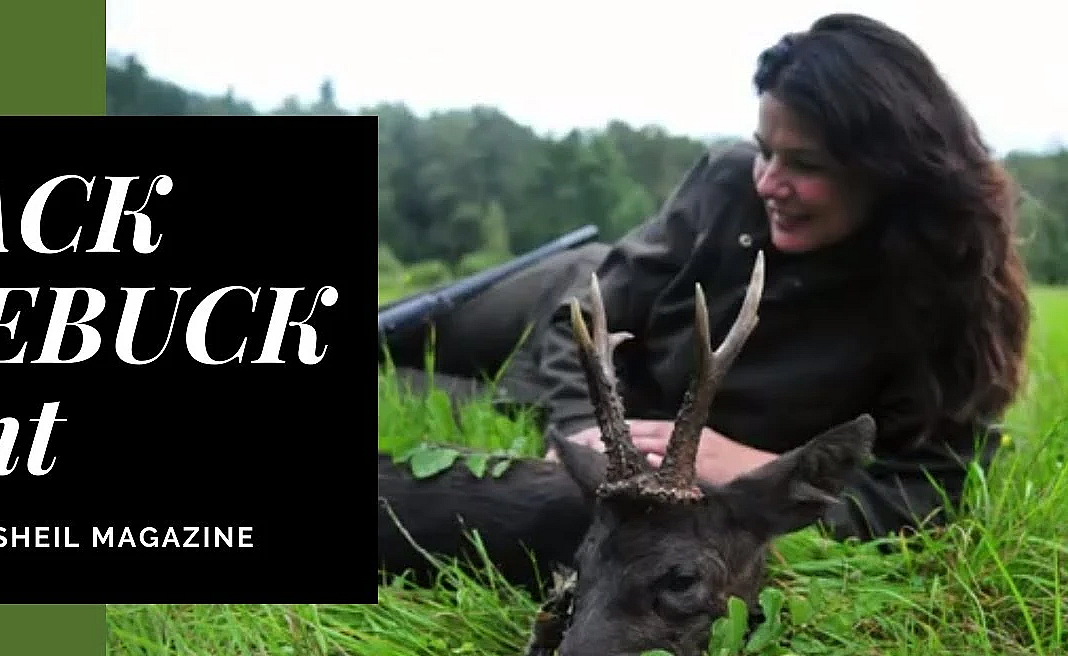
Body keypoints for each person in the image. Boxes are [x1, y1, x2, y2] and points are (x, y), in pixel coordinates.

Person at [382, 12, 1030, 543]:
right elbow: (584, 315)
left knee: (403, 391)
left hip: (610, 404)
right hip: (567, 302)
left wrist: (761, 474)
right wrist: (583, 432)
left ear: (889, 168)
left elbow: (929, 493)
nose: (769, 182)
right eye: (766, 150)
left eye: (804, 163)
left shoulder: (945, 304)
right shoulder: (729, 182)